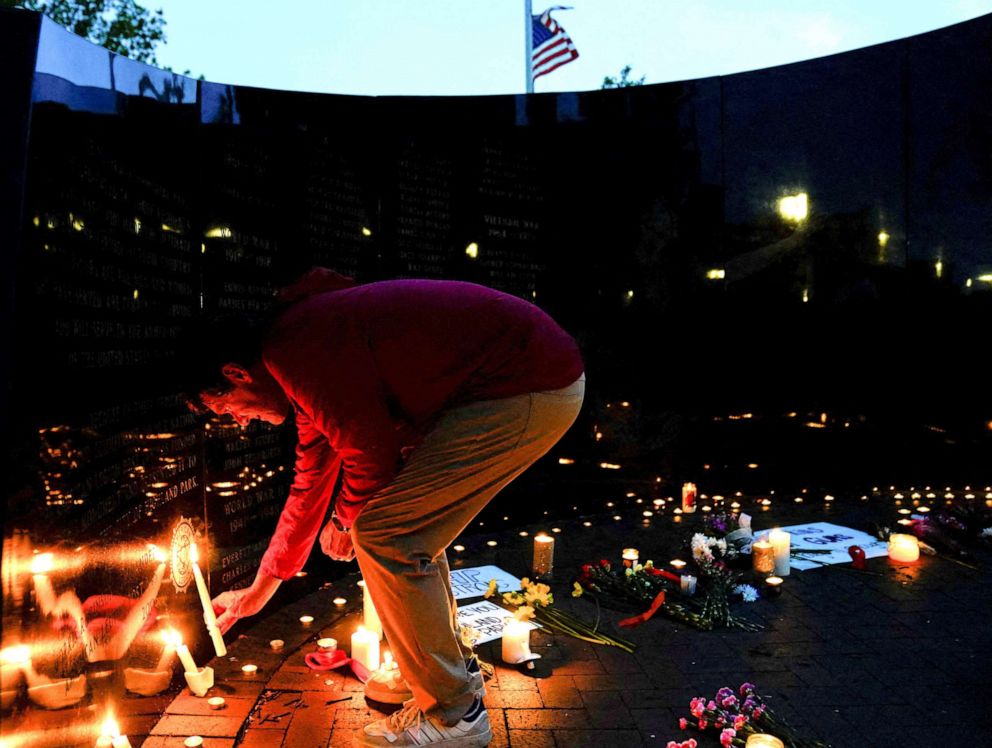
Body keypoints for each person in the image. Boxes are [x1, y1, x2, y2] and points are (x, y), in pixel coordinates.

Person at [187, 268, 584, 748]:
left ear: (235, 374)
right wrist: (258, 592)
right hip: (522, 377)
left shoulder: (294, 349)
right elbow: (310, 480)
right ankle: (447, 679)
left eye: (226, 408)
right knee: (403, 528)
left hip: (525, 381)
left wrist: (346, 518)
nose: (241, 421)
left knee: (387, 534)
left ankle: (456, 714)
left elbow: (369, 452)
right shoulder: (301, 355)